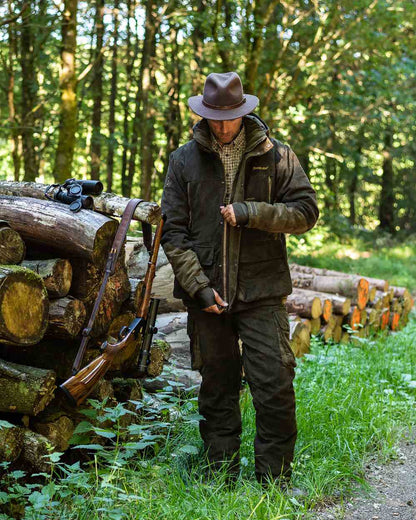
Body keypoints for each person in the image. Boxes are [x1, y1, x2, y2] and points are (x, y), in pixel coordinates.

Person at [161, 71, 319, 486]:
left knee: (275, 385)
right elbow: (173, 233)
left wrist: (252, 212)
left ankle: (274, 481)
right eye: (213, 117)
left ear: (243, 112)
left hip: (263, 290)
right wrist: (197, 286)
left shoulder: (277, 154)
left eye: (229, 117)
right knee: (217, 389)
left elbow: (306, 212)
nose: (221, 125)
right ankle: (220, 478)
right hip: (206, 291)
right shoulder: (182, 160)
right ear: (204, 112)